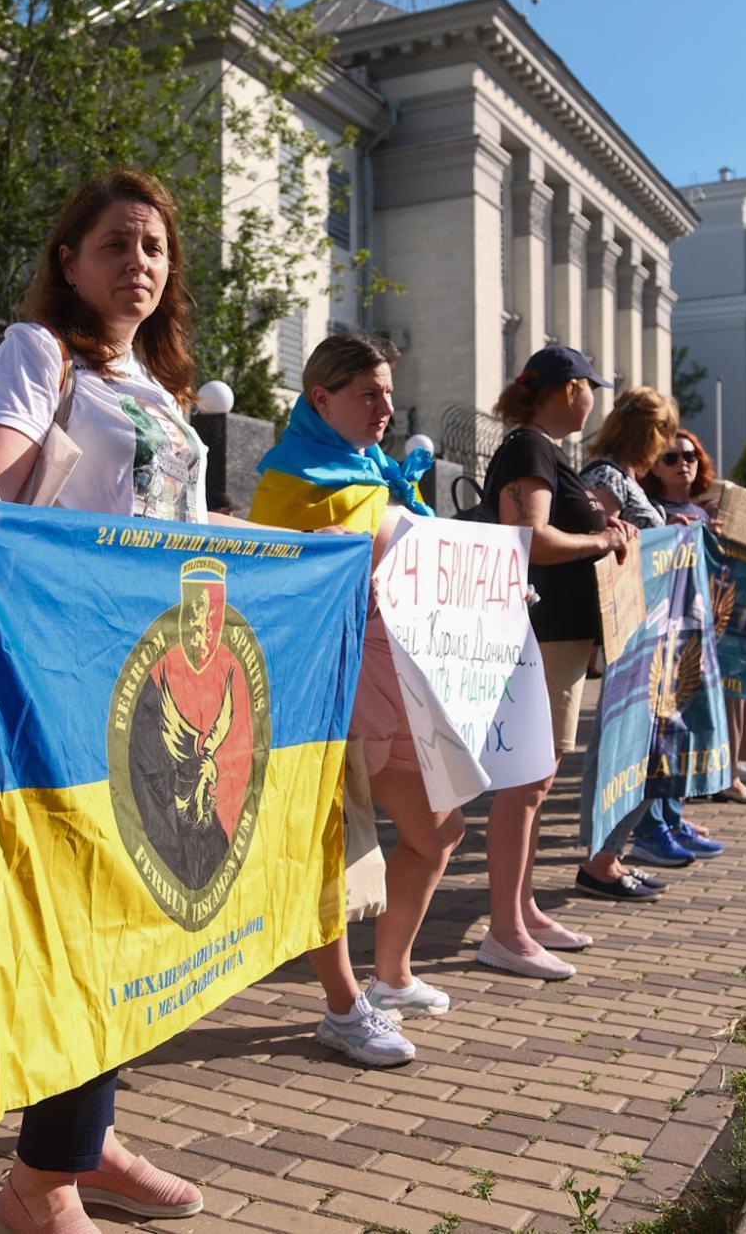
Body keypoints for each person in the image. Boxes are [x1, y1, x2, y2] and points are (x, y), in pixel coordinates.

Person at [0, 169, 224, 1231]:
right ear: (69, 260)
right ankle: (37, 1184)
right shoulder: (38, 354)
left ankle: (84, 1142)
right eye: (117, 244)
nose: (138, 263)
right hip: (63, 675)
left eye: (154, 249)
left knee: (139, 922)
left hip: (158, 688)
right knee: (84, 925)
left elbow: (189, 531)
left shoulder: (162, 391)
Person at [247, 332, 469, 1066]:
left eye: (387, 393)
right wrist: (342, 545)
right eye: (368, 394)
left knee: (438, 832)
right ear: (322, 398)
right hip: (328, 687)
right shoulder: (289, 480)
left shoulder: (374, 471)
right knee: (332, 855)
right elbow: (275, 582)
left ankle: (393, 975)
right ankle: (344, 1007)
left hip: (397, 679)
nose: (385, 407)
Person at [477, 346, 636, 975]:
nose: (594, 398)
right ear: (571, 389)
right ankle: (506, 930)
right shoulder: (530, 449)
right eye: (590, 387)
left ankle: (523, 910)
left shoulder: (541, 449)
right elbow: (531, 539)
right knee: (525, 783)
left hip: (557, 640)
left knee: (536, 782)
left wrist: (604, 532)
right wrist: (600, 538)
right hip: (538, 636)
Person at [572, 387, 683, 901]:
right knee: (628, 746)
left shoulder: (627, 479)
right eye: (664, 433)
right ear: (647, 432)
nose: (668, 445)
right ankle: (600, 860)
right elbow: (598, 536)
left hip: (649, 631)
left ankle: (610, 856)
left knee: (654, 743)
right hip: (628, 634)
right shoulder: (605, 476)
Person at [642, 428, 746, 832]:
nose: (683, 464)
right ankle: (655, 822)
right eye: (671, 458)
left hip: (700, 632)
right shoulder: (650, 508)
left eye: (689, 456)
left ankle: (675, 815)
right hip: (661, 637)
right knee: (661, 731)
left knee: (686, 726)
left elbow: (722, 576)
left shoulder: (706, 513)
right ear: (653, 467)